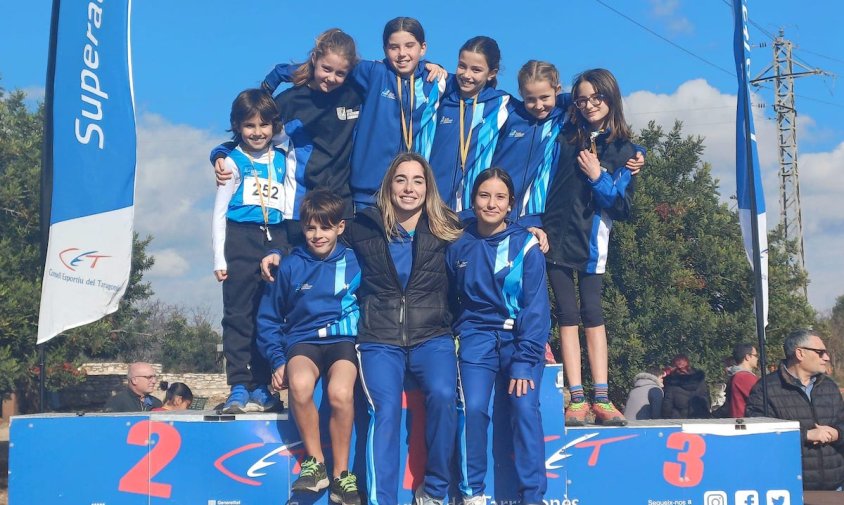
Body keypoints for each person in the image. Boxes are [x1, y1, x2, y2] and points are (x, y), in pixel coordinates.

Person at [263, 152, 463, 505]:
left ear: (428, 187)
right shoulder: (365, 226)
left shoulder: (446, 228)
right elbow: (319, 232)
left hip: (432, 335)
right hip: (380, 337)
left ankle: (434, 488)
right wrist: (279, 250)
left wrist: (533, 229)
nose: (409, 188)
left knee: (445, 397)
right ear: (389, 185)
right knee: (384, 410)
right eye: (401, 179)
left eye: (417, 180)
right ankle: (382, 499)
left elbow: (488, 233)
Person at [260, 17, 447, 210]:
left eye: (410, 46)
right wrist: (275, 77)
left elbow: (470, 81)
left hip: (410, 193)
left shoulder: (434, 81)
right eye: (394, 47)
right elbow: (331, 65)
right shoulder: (374, 73)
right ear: (384, 49)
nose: (402, 54)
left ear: (422, 48)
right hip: (368, 193)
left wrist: (434, 66)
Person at [446, 168, 550, 505]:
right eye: (484, 195)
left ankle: (532, 497)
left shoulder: (527, 246)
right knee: (472, 408)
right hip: (475, 338)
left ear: (511, 205)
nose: (491, 203)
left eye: (500, 197)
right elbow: (447, 299)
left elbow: (536, 310)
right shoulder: (457, 244)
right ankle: (472, 494)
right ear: (473, 201)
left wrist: (523, 361)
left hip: (519, 342)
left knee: (524, 408)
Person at [542, 68, 638, 426]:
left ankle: (602, 395)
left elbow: (622, 207)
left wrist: (598, 176)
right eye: (581, 99)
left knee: (593, 314)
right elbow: (546, 101)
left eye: (597, 97)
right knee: (566, 314)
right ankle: (576, 397)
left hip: (593, 242)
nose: (589, 105)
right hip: (554, 237)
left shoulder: (626, 150)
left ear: (611, 97)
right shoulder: (565, 135)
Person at [256, 190, 362, 505]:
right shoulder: (289, 266)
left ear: (340, 227)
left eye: (325, 228)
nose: (318, 235)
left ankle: (343, 475)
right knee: (299, 384)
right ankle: (315, 466)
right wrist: (277, 360)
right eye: (311, 228)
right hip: (303, 341)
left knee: (340, 394)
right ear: (303, 228)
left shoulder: (356, 260)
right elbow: (269, 319)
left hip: (342, 341)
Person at [214, 29, 363, 245]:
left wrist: (428, 69)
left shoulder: (355, 94)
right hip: (300, 208)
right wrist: (220, 153)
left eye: (340, 73)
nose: (332, 78)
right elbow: (255, 133)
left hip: (343, 206)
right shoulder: (290, 101)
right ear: (314, 59)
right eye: (326, 69)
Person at [212, 88, 286, 414]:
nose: (257, 133)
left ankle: (264, 386)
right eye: (249, 126)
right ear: (237, 127)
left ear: (274, 126)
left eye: (263, 125)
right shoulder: (231, 161)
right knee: (238, 314)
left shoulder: (284, 156)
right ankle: (239, 385)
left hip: (275, 240)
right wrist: (219, 258)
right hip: (240, 239)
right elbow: (218, 211)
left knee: (267, 315)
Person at [746, 328, 844, 491]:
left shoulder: (830, 387)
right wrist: (805, 435)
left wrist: (836, 433)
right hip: (791, 489)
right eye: (820, 352)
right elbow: (758, 434)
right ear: (800, 353)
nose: (826, 358)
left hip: (836, 488)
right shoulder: (765, 389)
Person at [429, 36, 510, 216]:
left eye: (476, 70)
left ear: (492, 73)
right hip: (433, 207)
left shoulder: (501, 104)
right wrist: (430, 64)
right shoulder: (442, 100)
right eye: (462, 66)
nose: (466, 75)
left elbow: (544, 104)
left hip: (473, 213)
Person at [661, 354, 711, 419]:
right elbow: (707, 402)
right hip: (700, 421)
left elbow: (667, 408)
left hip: (679, 422)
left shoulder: (671, 384)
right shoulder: (700, 381)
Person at [722, 343, 759, 418]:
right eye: (756, 356)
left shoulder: (737, 376)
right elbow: (760, 399)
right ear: (747, 357)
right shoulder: (744, 377)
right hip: (747, 422)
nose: (757, 358)